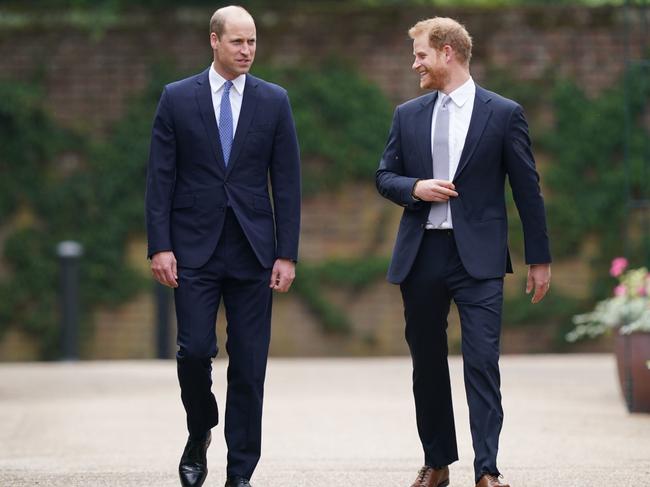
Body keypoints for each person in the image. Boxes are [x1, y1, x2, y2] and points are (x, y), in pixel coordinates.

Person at [376, 17, 551, 487]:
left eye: (421, 55)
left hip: (480, 257)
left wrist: (540, 259)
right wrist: (415, 186)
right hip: (422, 255)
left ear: (447, 52)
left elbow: (527, 190)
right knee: (427, 363)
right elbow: (383, 176)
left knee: (481, 362)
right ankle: (437, 464)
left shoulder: (503, 113)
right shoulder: (407, 115)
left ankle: (487, 470)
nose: (415, 63)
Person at [145, 5, 301, 487]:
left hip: (255, 250)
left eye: (252, 41)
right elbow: (160, 178)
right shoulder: (176, 98)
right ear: (214, 40)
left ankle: (240, 474)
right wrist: (160, 246)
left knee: (250, 365)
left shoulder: (274, 101)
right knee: (194, 351)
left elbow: (288, 183)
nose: (247, 50)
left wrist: (287, 252)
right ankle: (199, 430)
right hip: (193, 249)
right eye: (237, 41)